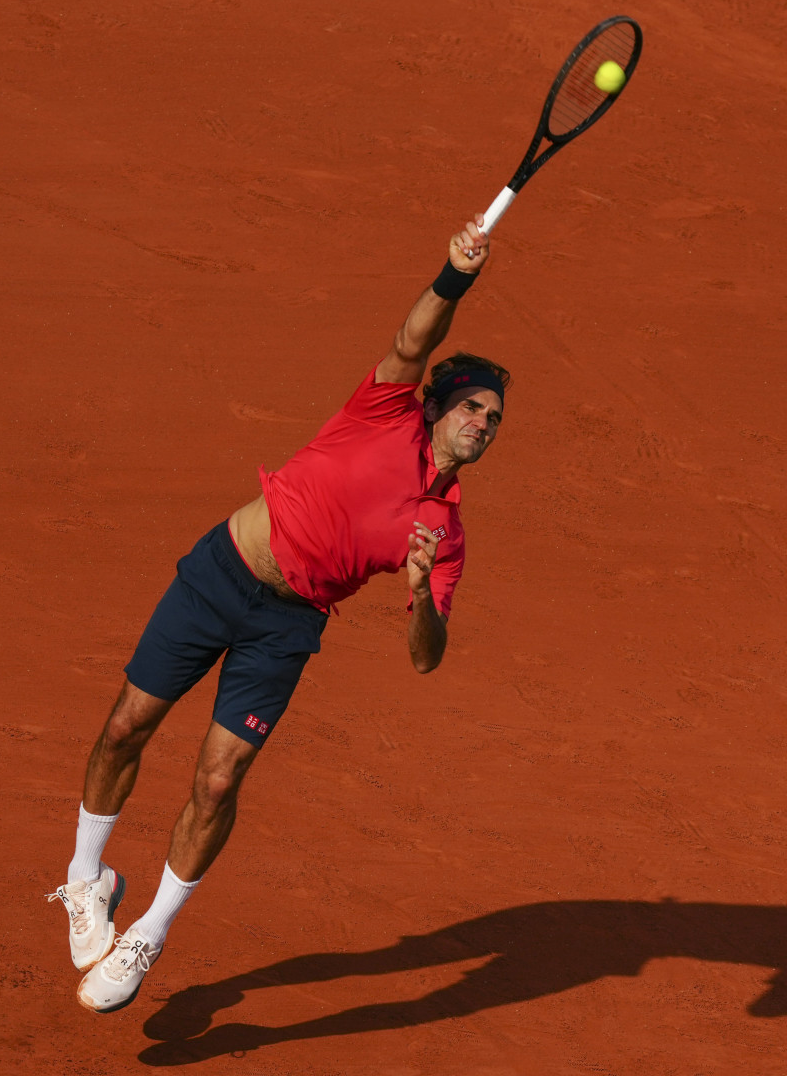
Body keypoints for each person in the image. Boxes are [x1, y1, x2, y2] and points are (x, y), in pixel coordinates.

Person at [47, 216, 508, 1013]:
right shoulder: (383, 410)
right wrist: (455, 274)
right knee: (127, 725)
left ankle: (149, 932)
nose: (483, 424)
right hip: (220, 574)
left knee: (218, 779)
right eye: (473, 407)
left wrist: (422, 591)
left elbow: (426, 654)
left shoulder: (447, 534)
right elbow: (413, 336)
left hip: (286, 628)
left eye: (495, 420)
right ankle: (87, 877)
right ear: (436, 405)